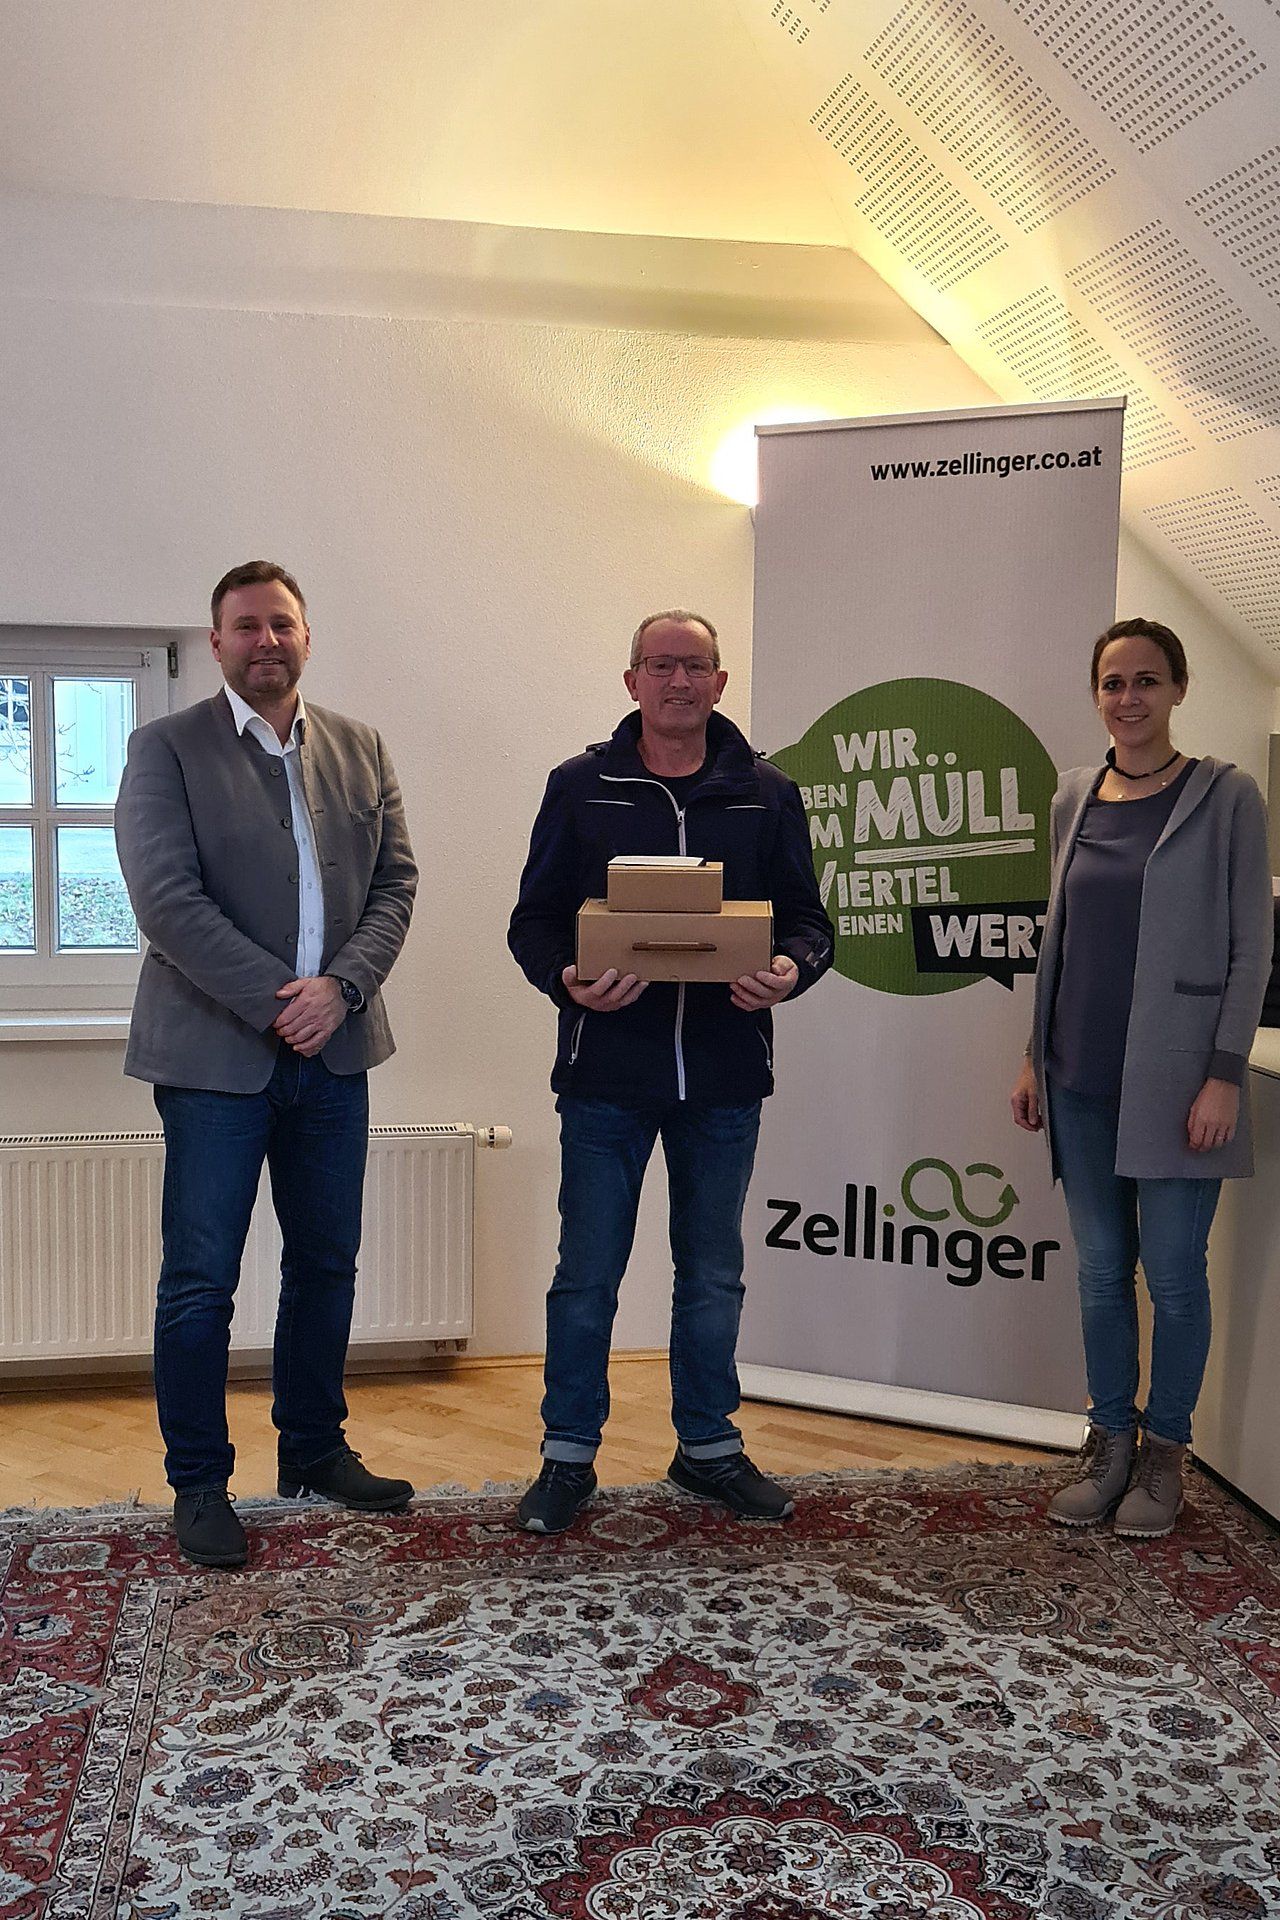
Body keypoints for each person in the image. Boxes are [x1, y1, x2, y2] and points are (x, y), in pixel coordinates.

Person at [115, 561, 418, 1568]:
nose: (265, 641)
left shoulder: (358, 746)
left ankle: (313, 1450)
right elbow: (167, 903)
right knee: (200, 1281)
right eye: (244, 626)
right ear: (215, 643)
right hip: (213, 1060)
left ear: (305, 634)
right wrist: (283, 1002)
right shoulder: (164, 749)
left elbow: (394, 883)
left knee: (326, 1261)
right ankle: (199, 1483)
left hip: (336, 1052)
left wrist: (343, 991)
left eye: (280, 623)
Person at [508, 609, 834, 1534]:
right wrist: (568, 981)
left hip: (726, 1079)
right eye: (661, 665)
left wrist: (789, 972)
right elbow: (531, 924)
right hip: (606, 1075)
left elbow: (812, 925)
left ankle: (708, 1450)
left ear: (720, 684)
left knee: (714, 1272)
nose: (678, 682)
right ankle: (568, 1456)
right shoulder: (580, 787)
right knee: (587, 1275)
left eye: (695, 666)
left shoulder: (768, 794)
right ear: (632, 681)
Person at [1012, 617, 1271, 1537]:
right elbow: (1061, 939)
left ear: (1178, 689)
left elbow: (1251, 945)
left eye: (1147, 681)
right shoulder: (1074, 795)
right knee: (1096, 1273)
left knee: (1173, 1276)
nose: (1129, 699)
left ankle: (1166, 1457)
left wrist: (1221, 1074)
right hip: (1078, 1074)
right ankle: (1110, 1440)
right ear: (1097, 694)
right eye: (1113, 682)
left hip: (1176, 1084)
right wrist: (1033, 1057)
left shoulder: (1226, 795)